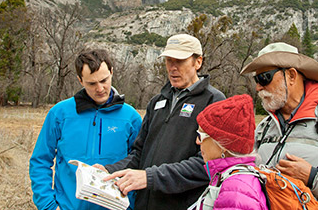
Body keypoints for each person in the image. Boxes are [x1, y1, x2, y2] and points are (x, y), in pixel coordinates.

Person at [97, 34, 226, 210]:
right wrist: (110, 171)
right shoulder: (157, 102)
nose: (172, 68)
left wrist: (150, 177)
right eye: (168, 60)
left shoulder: (214, 101)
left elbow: (208, 164)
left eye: (179, 61)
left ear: (198, 62)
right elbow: (139, 153)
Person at [29, 49, 142, 210]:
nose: (100, 88)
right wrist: (48, 205)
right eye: (92, 83)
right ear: (80, 80)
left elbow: (139, 162)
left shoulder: (131, 117)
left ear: (111, 72)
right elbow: (40, 161)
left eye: (104, 80)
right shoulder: (60, 113)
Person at [240, 42, 318, 198]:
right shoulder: (264, 127)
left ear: (291, 76)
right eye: (257, 80)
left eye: (264, 78)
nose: (258, 88)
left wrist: (312, 177)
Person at [189, 94, 268, 210]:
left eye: (201, 136)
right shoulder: (231, 180)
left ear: (223, 145)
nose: (197, 141)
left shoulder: (235, 191)